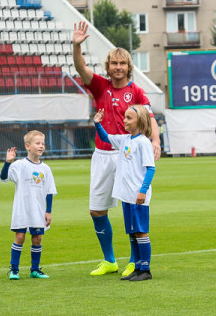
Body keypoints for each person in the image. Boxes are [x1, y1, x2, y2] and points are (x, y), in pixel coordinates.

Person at [71, 21, 160, 278]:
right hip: (102, 154)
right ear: (108, 67)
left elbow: (151, 117)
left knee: (130, 208)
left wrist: (155, 141)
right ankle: (109, 260)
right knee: (96, 209)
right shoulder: (100, 86)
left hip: (127, 155)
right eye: (113, 63)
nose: (118, 67)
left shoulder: (137, 92)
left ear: (128, 67)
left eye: (122, 63)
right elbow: (81, 68)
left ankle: (134, 261)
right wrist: (76, 46)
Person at [93, 105, 155, 282]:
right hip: (127, 195)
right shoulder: (125, 139)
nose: (124, 120)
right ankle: (137, 267)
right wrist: (97, 123)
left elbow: (150, 169)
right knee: (133, 232)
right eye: (125, 117)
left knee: (141, 232)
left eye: (129, 118)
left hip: (137, 196)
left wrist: (142, 191)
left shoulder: (143, 142)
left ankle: (146, 269)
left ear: (140, 121)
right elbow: (106, 138)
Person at [0, 130, 56, 280]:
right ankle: (14, 270)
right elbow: (3, 177)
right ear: (28, 146)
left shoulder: (46, 169)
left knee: (37, 238)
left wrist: (48, 211)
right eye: (37, 143)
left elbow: (50, 191)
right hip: (22, 209)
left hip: (38, 210)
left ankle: (35, 270)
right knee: (20, 237)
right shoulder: (19, 165)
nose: (41, 146)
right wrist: (7, 162)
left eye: (43, 143)